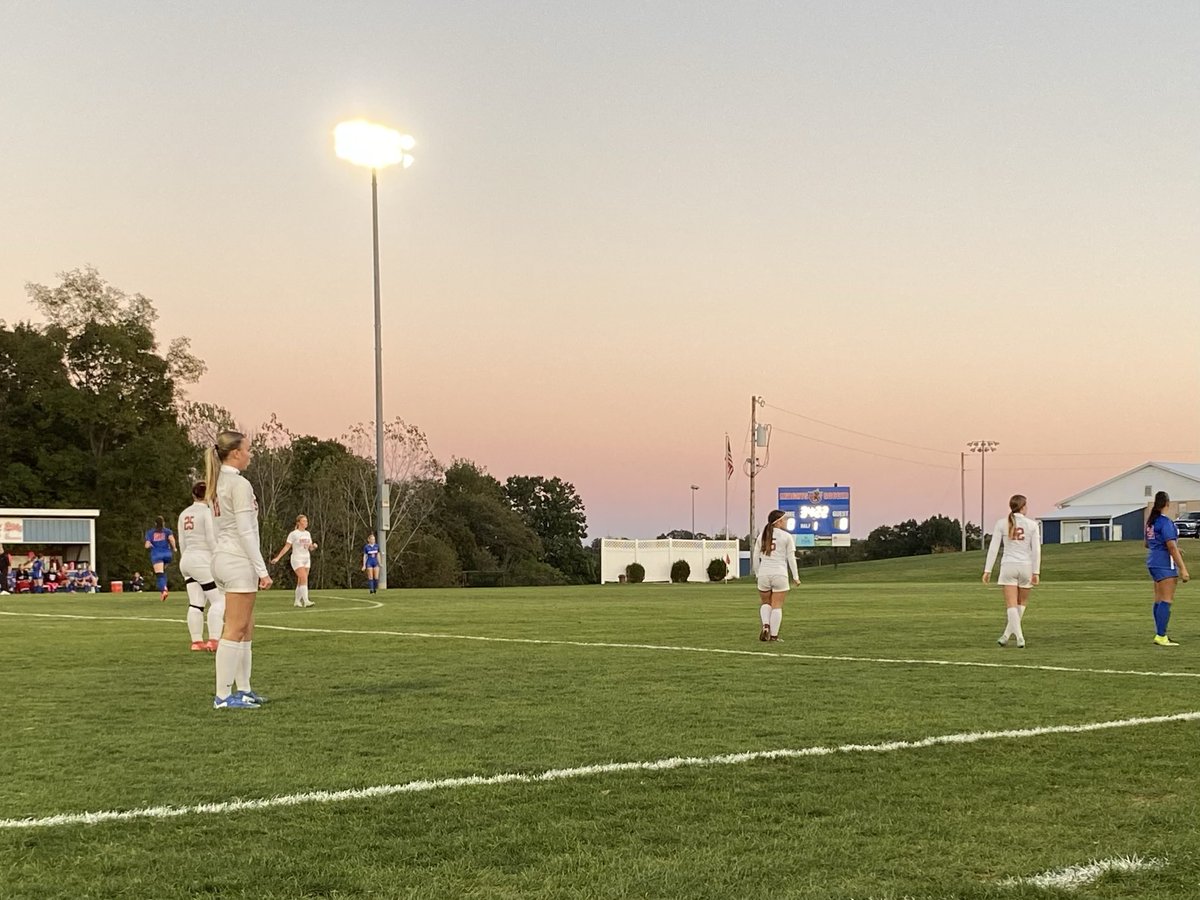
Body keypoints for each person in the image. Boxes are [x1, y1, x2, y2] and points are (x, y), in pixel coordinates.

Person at [207, 430, 272, 709]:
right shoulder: (238, 484)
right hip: (236, 560)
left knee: (245, 626)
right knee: (234, 629)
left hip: (223, 557)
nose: (250, 454)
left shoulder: (218, 481)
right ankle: (223, 696)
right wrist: (262, 569)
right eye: (247, 450)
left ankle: (243, 689)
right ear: (235, 453)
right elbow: (246, 532)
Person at [982, 494, 1042, 648]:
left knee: (1011, 604)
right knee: (1022, 602)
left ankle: (1010, 636)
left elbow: (993, 548)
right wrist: (1036, 572)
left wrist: (987, 569)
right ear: (1022, 507)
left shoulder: (1001, 523)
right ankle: (1015, 636)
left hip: (1008, 566)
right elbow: (1036, 550)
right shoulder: (1032, 525)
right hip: (1026, 566)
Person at [178, 482, 225, 652]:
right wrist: (218, 557)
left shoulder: (184, 514)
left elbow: (182, 541)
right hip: (202, 559)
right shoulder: (207, 512)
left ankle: (196, 641)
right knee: (219, 600)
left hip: (187, 560)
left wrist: (185, 559)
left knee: (196, 604)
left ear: (193, 495)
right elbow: (211, 539)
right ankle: (214, 639)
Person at [1145, 490, 1190, 647]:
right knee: (1166, 599)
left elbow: (1148, 543)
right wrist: (1183, 569)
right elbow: (1171, 546)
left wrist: (1176, 548)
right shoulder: (1165, 522)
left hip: (1153, 561)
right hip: (1165, 563)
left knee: (1158, 599)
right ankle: (1161, 635)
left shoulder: (1151, 522)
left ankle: (1160, 633)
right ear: (1167, 504)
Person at [753, 509, 800, 642]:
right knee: (777, 605)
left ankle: (766, 625)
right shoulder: (786, 536)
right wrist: (795, 577)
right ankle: (774, 636)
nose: (785, 522)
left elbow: (755, 557)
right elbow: (791, 558)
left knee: (765, 603)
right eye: (784, 520)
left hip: (764, 573)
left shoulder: (762, 535)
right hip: (779, 573)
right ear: (778, 522)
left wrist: (757, 573)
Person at [271, 515, 318, 608]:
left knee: (302, 580)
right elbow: (287, 547)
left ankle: (297, 601)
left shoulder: (307, 533)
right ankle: (306, 601)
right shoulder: (293, 534)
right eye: (304, 521)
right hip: (297, 558)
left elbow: (309, 547)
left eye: (306, 521)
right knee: (304, 577)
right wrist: (277, 558)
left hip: (306, 558)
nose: (306, 523)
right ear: (299, 523)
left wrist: (314, 546)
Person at [144, 517, 178, 601]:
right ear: (163, 523)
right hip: (167, 554)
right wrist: (174, 548)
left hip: (157, 554)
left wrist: (150, 545)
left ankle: (163, 590)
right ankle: (164, 587)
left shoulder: (150, 533)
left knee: (159, 575)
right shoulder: (167, 531)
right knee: (163, 572)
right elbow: (171, 539)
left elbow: (147, 545)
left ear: (155, 523)